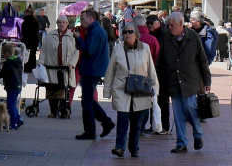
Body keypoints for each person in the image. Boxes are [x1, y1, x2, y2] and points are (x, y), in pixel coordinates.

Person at [157, 11, 212, 153]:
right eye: (168, 25)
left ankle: (198, 133)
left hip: (190, 80)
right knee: (177, 112)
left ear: (181, 24)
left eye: (172, 25)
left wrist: (207, 80)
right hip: (173, 80)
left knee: (190, 107)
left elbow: (202, 59)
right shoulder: (167, 37)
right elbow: (161, 59)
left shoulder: (192, 36)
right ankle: (181, 143)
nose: (170, 28)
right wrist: (158, 79)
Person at [104, 22, 158, 158]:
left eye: (130, 32)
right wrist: (107, 90)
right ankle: (119, 147)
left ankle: (134, 148)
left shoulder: (145, 48)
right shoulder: (117, 49)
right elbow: (111, 70)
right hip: (121, 88)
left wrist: (155, 88)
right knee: (122, 118)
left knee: (137, 121)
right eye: (125, 32)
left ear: (136, 35)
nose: (127, 34)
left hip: (141, 89)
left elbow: (151, 68)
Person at [74, 8, 115, 139]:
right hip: (93, 68)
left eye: (83, 19)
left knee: (86, 101)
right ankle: (105, 123)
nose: (81, 22)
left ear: (91, 18)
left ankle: (92, 129)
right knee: (88, 100)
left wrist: (79, 39)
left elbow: (89, 50)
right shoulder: (96, 30)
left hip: (91, 68)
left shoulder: (95, 31)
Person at [39, 15, 78, 119]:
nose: (61, 24)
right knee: (51, 90)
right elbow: (44, 50)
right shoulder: (49, 36)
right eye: (60, 22)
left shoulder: (72, 36)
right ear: (57, 24)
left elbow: (76, 52)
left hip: (65, 68)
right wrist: (40, 63)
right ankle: (53, 111)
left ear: (67, 24)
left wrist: (72, 64)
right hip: (51, 67)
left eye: (64, 22)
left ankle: (63, 110)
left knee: (63, 90)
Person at [146, 15, 170, 134]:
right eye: (147, 23)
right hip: (154, 70)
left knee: (163, 99)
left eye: (151, 23)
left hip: (163, 71)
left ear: (157, 22)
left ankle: (164, 126)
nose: (149, 25)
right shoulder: (153, 35)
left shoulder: (164, 34)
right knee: (153, 98)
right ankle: (154, 124)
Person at [0, 42, 25, 130]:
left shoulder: (8, 63)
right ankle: (18, 120)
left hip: (11, 86)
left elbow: (3, 73)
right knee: (13, 104)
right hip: (18, 85)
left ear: (6, 53)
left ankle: (13, 123)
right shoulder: (18, 61)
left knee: (11, 105)